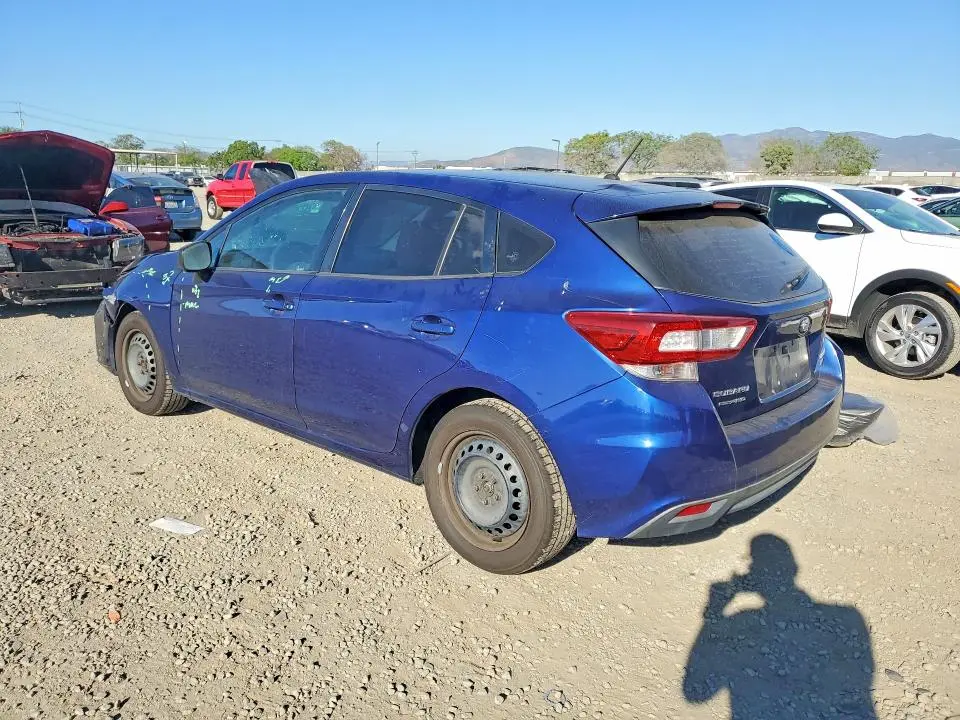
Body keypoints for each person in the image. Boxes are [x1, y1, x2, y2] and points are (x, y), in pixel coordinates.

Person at [683, 534, 877, 719]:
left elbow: (695, 694)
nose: (749, 567)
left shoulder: (742, 620)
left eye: (753, 564)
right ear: (793, 569)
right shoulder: (849, 617)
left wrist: (714, 612)